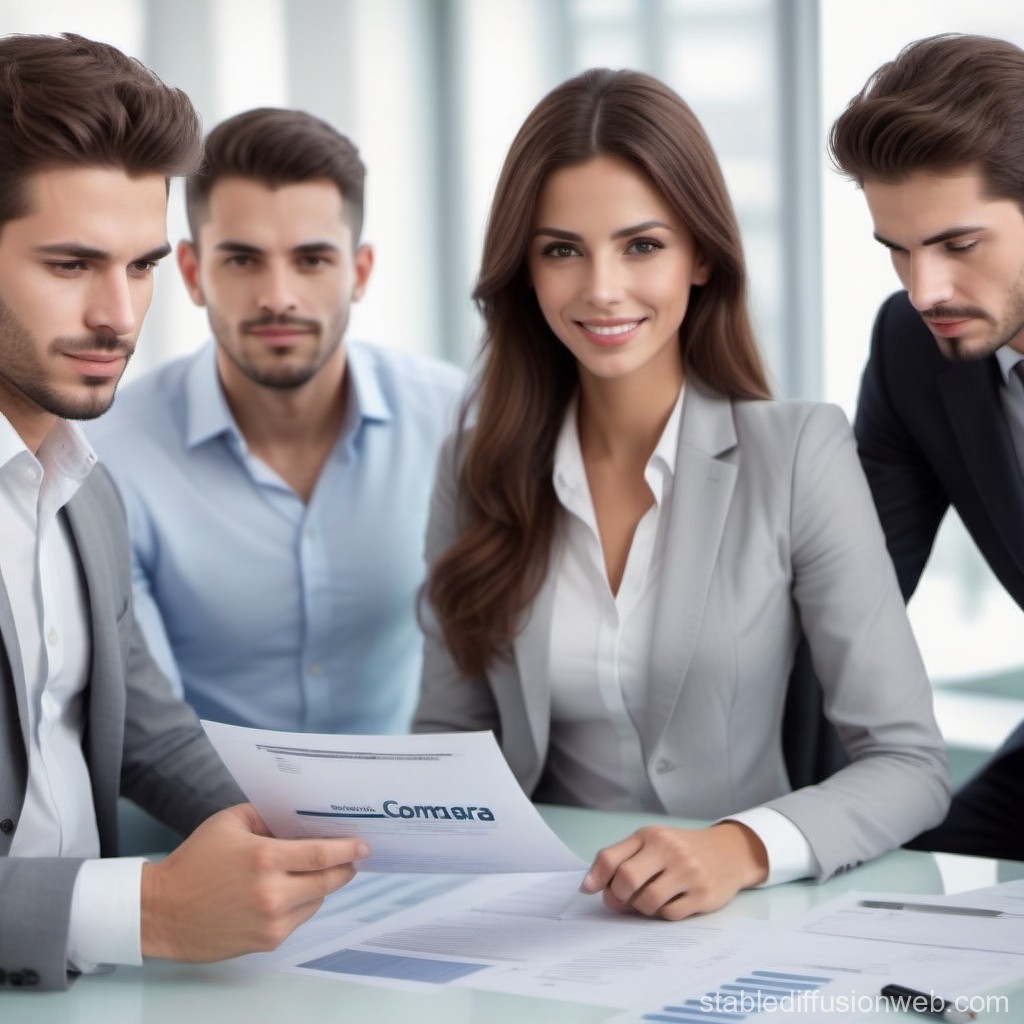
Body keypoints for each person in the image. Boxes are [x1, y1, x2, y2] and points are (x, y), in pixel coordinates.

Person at [413, 67, 949, 920]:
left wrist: (740, 848)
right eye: (561, 250)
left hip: (742, 916)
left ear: (701, 254)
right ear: (525, 270)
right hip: (535, 915)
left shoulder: (799, 451)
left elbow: (908, 765)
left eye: (641, 245)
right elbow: (447, 740)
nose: (601, 289)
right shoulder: (474, 468)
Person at [0, 33, 367, 992]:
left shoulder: (85, 485)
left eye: (141, 266)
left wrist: (323, 843)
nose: (120, 316)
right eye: (71, 265)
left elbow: (152, 734)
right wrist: (151, 909)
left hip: (106, 989)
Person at [87, 108, 465, 735]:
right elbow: (150, 726)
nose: (278, 296)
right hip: (197, 822)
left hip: (405, 815)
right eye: (242, 260)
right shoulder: (110, 455)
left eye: (312, 260)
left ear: (360, 272)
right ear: (191, 272)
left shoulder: (457, 422)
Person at [829, 33, 1024, 863]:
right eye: (898, 250)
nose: (924, 290)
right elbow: (854, 599)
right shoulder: (912, 350)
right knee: (898, 885)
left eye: (957, 245)